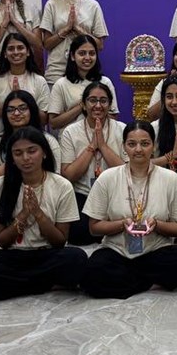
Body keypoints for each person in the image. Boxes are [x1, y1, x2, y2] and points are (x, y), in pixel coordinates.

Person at [0, 128, 87, 299]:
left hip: (47, 254)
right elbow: (2, 241)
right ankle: (42, 284)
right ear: (11, 158)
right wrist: (23, 215)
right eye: (18, 153)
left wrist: (38, 214)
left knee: (77, 258)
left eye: (32, 151)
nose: (25, 158)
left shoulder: (62, 186)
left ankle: (11, 287)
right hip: (11, 256)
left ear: (44, 153)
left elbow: (59, 241)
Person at [80, 120, 177, 299]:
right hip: (118, 250)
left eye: (145, 144)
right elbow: (94, 228)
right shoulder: (108, 178)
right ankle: (152, 282)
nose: (138, 149)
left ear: (153, 146)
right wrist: (121, 224)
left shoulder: (171, 179)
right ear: (124, 147)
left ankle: (131, 282)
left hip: (155, 250)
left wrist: (157, 225)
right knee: (93, 269)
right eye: (132, 144)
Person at [0, 91, 61, 247]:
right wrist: (14, 161)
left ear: (32, 110)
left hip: (43, 198)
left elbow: (56, 179)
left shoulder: (48, 141)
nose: (16, 113)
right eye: (10, 110)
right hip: (7, 200)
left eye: (22, 108)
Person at [60, 82, 127, 246]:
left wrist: (103, 146)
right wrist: (91, 147)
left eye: (103, 101)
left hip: (115, 195)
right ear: (83, 104)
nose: (98, 105)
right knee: (79, 236)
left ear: (110, 105)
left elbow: (128, 172)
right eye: (92, 100)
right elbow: (69, 175)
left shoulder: (122, 129)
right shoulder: (70, 132)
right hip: (83, 195)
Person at [40, 0, 109, 85]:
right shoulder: (52, 4)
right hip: (57, 72)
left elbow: (99, 45)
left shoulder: (93, 5)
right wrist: (66, 29)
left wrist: (78, 29)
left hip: (85, 72)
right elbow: (46, 44)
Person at [48, 34, 120, 132]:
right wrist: (82, 105)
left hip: (101, 136)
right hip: (71, 138)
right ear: (72, 56)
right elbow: (54, 123)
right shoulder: (61, 84)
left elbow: (113, 119)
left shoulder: (105, 82)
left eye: (92, 53)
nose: (87, 57)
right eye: (82, 53)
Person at [0, 33, 51, 135]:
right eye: (11, 49)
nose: (16, 52)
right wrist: (10, 101)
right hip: (1, 139)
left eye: (20, 48)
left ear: (28, 52)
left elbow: (44, 120)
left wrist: (24, 100)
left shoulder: (39, 81)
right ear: (5, 54)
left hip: (32, 139)